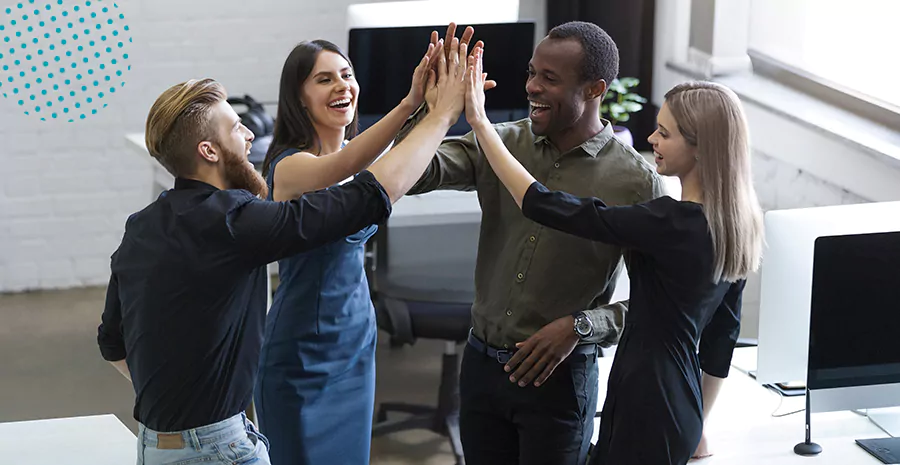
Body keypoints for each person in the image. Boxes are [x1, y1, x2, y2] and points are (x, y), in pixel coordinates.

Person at [95, 40, 469, 465]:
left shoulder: (141, 226)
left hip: (158, 444)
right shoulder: (237, 222)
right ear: (209, 151)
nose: (252, 133)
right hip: (223, 444)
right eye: (238, 128)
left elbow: (112, 343)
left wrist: (181, 412)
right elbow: (364, 196)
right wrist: (439, 116)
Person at [463, 44, 764, 465]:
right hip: (680, 404)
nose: (652, 139)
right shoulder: (738, 226)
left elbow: (543, 204)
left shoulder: (671, 221)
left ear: (700, 147)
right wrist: (699, 425)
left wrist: (480, 122)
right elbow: (720, 342)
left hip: (645, 396)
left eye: (665, 132)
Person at [400, 21, 664, 464]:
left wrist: (581, 326)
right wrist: (428, 108)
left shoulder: (636, 184)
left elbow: (659, 307)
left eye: (550, 79)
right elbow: (415, 173)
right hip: (482, 369)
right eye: (531, 72)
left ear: (595, 88)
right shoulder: (502, 142)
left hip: (558, 382)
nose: (531, 87)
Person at [252, 36, 448, 464]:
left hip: (356, 337)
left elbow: (388, 165)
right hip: (302, 349)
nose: (342, 86)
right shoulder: (290, 166)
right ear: (299, 99)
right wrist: (415, 106)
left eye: (347, 75)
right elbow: (350, 174)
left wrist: (428, 100)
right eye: (324, 79)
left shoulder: (350, 154)